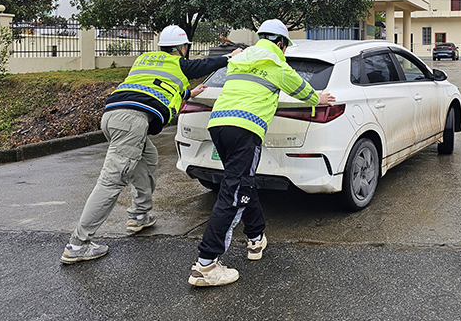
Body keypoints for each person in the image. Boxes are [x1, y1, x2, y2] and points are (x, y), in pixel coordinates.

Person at [60, 25, 242, 264]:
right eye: (185, 48)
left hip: (113, 116)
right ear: (181, 48)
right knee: (111, 181)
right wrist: (230, 57)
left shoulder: (144, 60)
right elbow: (201, 66)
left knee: (148, 160)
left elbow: (156, 87)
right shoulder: (177, 63)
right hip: (131, 122)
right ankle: (78, 244)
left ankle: (139, 216)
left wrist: (188, 93)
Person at [188, 19, 335, 287]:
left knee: (243, 182)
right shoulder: (277, 64)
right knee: (234, 193)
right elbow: (302, 90)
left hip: (219, 125)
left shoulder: (240, 59)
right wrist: (319, 99)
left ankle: (255, 239)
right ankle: (206, 265)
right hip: (245, 129)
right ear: (280, 43)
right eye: (285, 47)